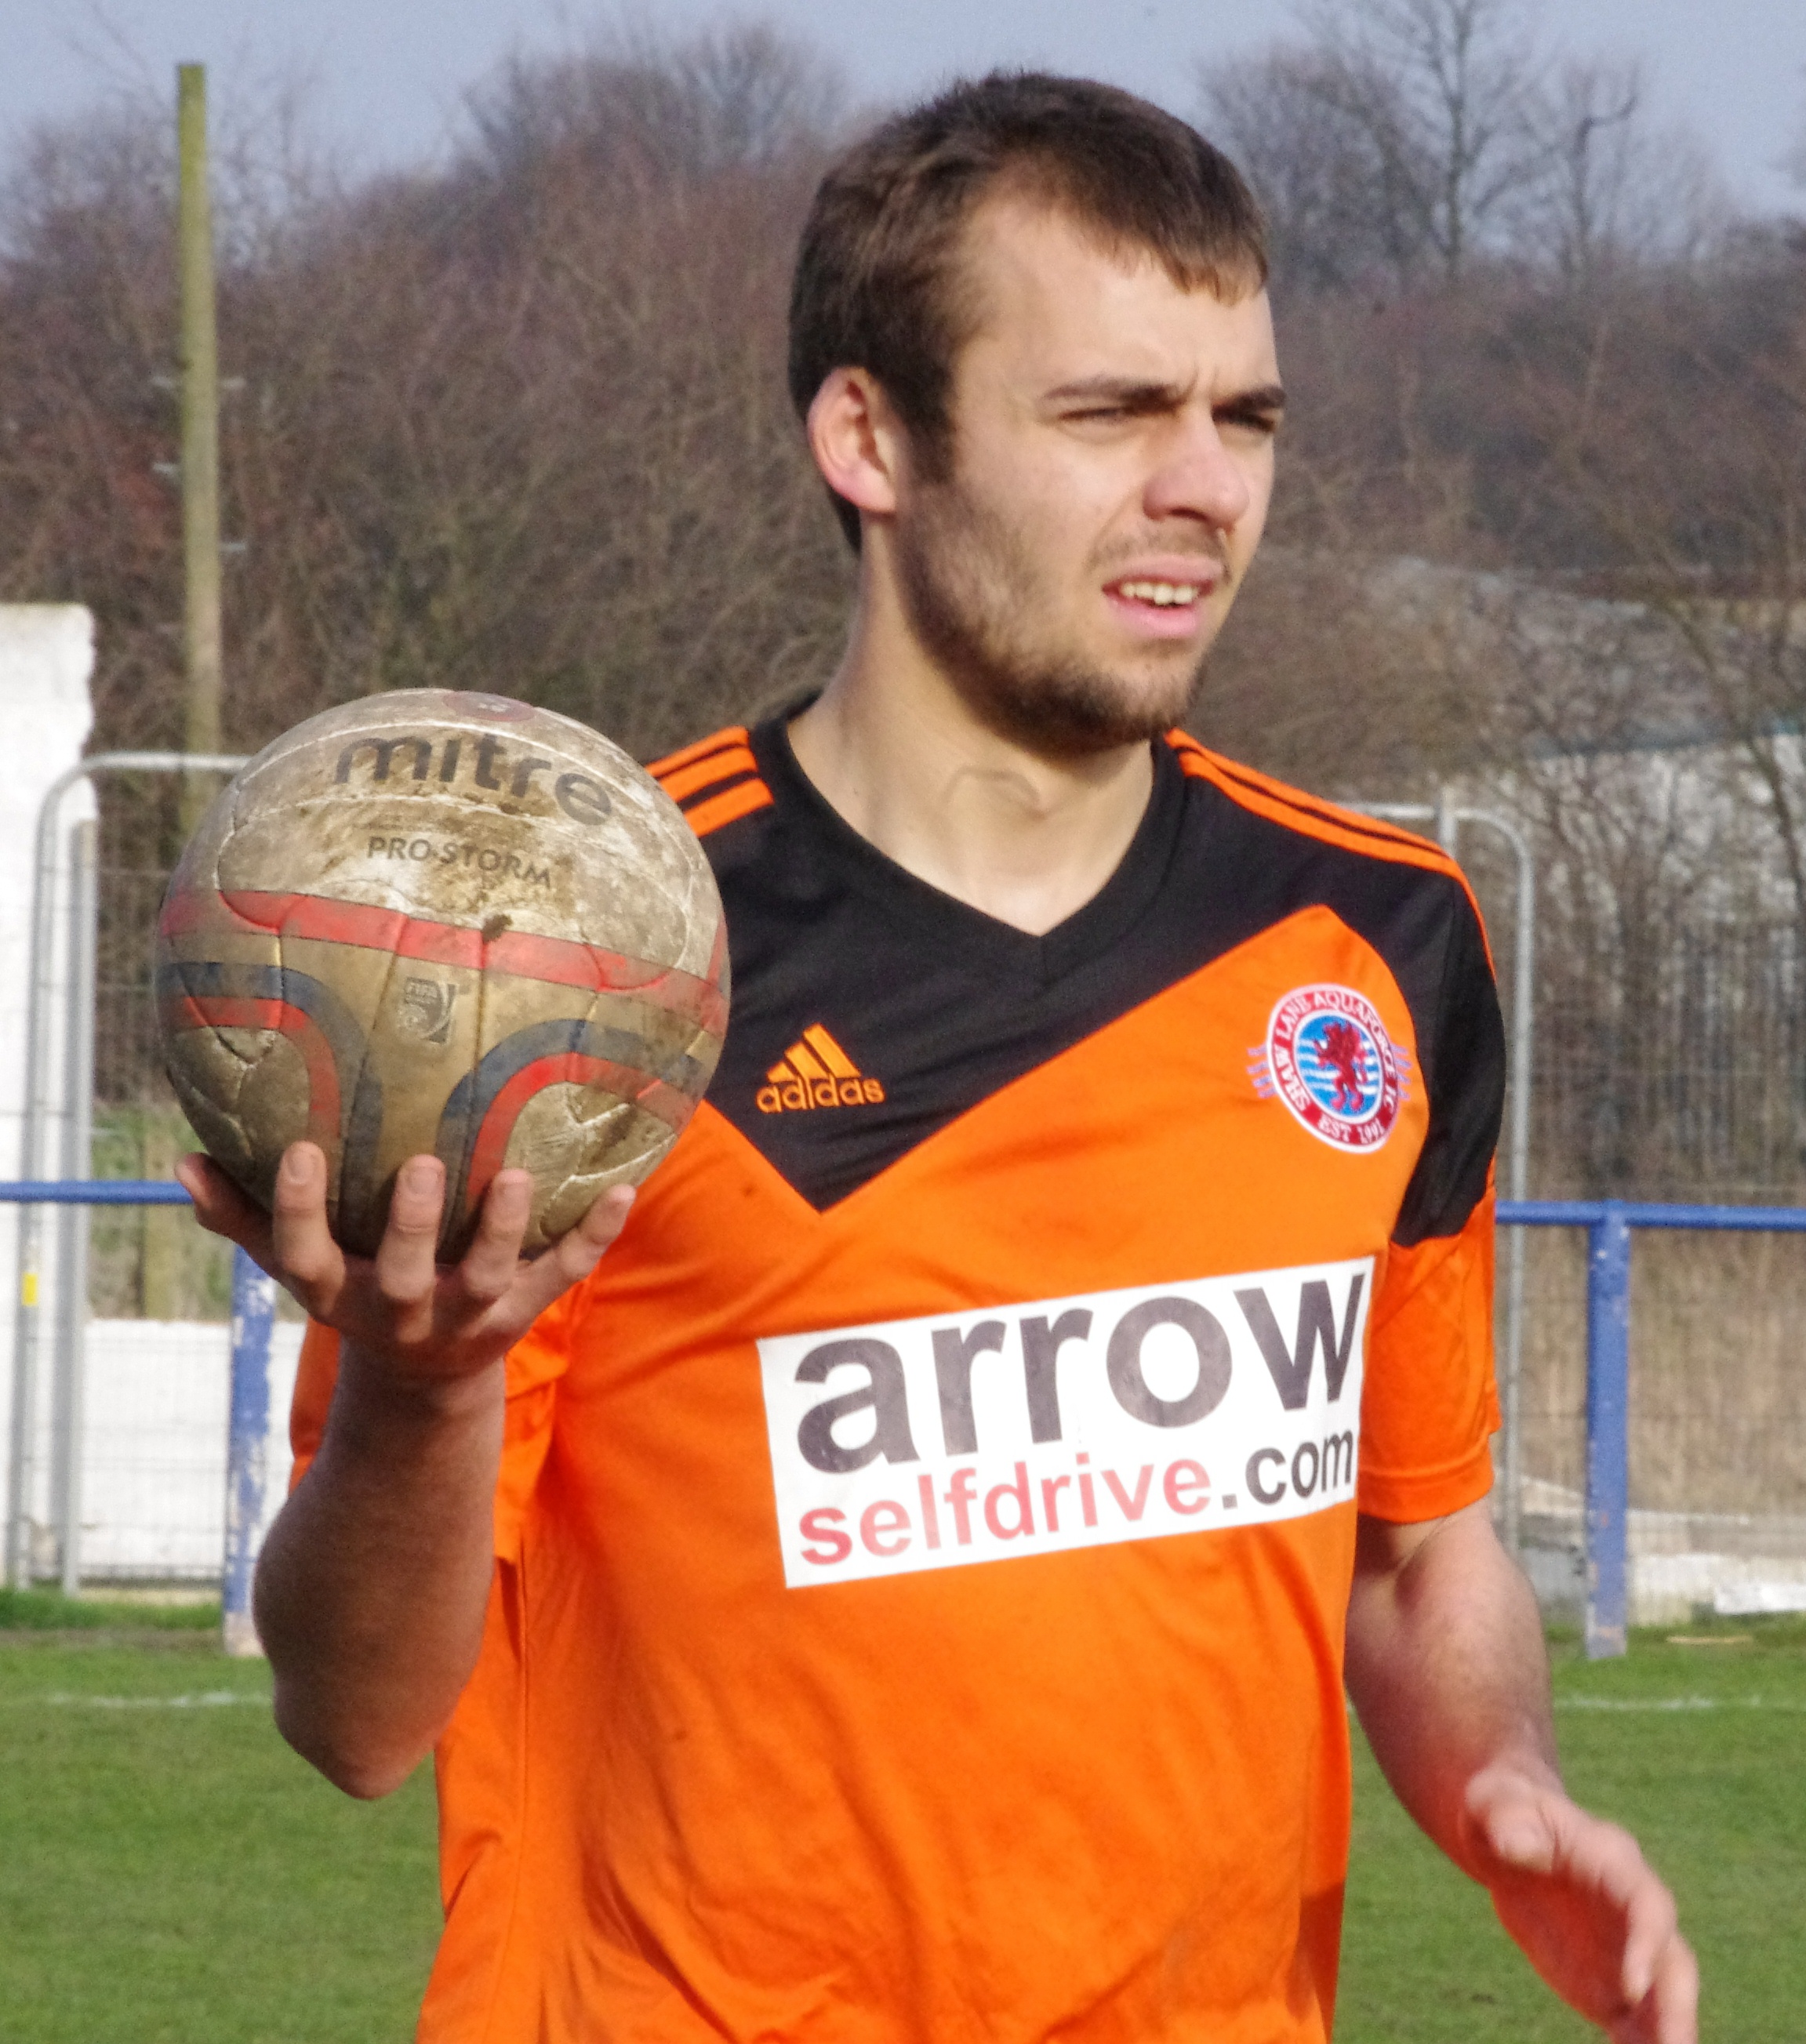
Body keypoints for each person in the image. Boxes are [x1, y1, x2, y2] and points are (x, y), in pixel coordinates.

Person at [180, 73, 1697, 2044]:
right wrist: (419, 1379)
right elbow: (357, 1718)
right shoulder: (588, 970)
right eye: (1109, 411)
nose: (1205, 486)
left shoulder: (1384, 941)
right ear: (870, 435)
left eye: (1243, 416)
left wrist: (1507, 1787)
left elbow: (1418, 1560)